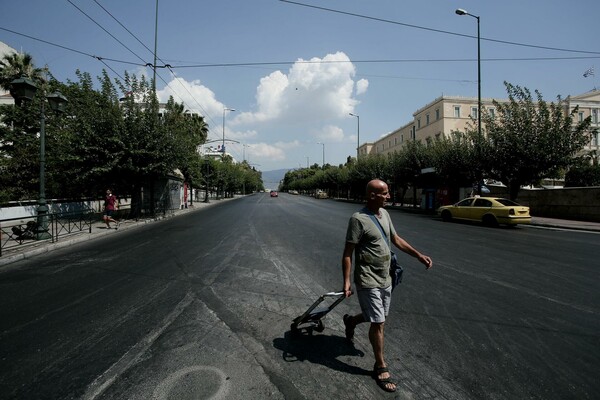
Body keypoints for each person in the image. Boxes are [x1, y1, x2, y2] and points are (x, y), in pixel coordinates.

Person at [341, 179, 433, 393]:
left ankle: (351, 321)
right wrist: (346, 281)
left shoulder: (385, 214)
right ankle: (380, 366)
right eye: (385, 193)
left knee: (377, 315)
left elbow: (396, 239)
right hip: (367, 278)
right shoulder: (358, 219)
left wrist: (418, 256)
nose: (389, 196)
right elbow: (348, 253)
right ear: (372, 195)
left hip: (385, 277)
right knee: (379, 321)